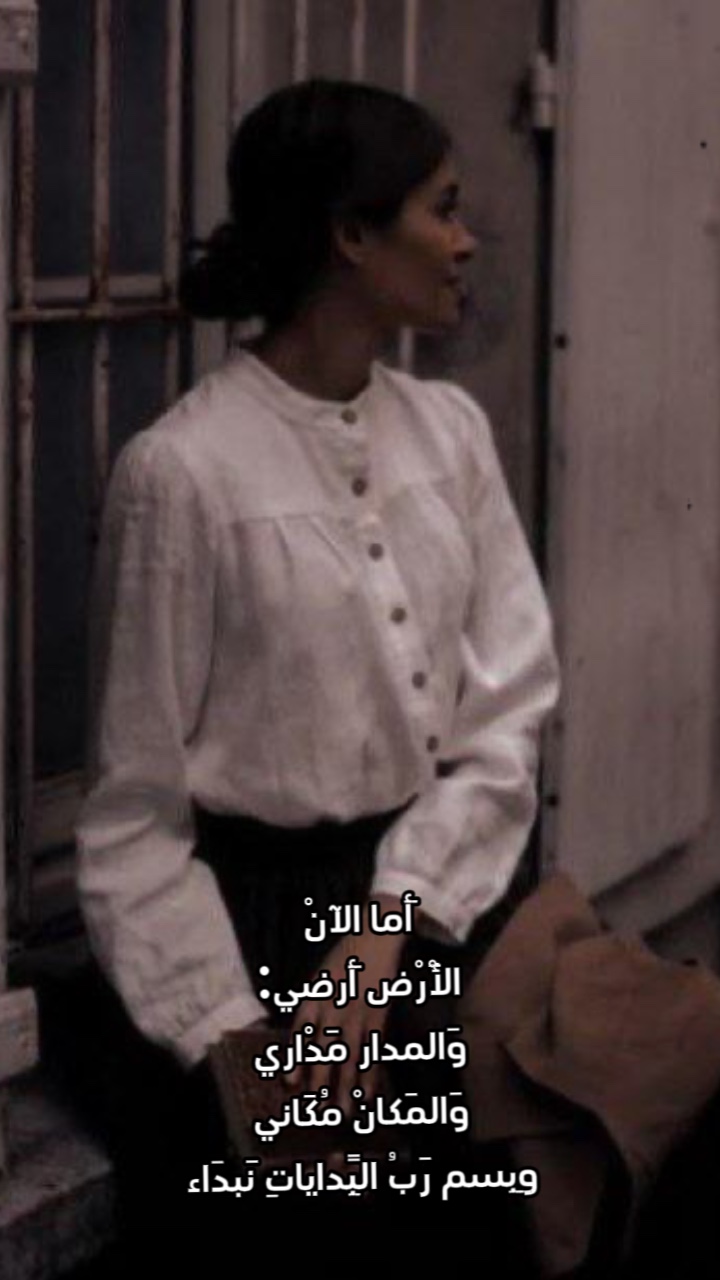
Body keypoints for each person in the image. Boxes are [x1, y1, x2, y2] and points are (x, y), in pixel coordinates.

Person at [74, 78, 558, 1241]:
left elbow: (506, 714)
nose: (467, 240)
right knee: (321, 1217)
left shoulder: (449, 432)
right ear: (351, 233)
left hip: (440, 899)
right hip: (254, 937)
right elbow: (135, 817)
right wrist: (233, 1041)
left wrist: (388, 926)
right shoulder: (182, 473)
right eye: (443, 207)